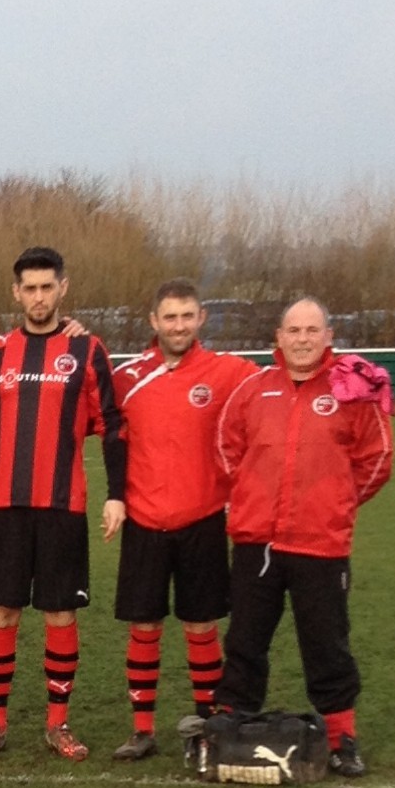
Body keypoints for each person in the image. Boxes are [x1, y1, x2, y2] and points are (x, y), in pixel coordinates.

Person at [214, 297, 394, 776]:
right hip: (257, 545)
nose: (302, 339)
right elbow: (226, 448)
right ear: (279, 336)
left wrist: (335, 504)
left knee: (326, 645)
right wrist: (251, 496)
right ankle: (234, 730)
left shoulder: (350, 391)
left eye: (312, 330)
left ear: (328, 336)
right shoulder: (254, 390)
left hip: (321, 544)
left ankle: (342, 741)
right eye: (294, 330)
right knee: (245, 642)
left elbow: (377, 460)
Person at [0, 247, 127, 761]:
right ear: (16, 293)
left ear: (63, 288)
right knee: (3, 613)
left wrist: (117, 494)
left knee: (59, 615)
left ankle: (59, 725)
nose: (38, 296)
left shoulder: (87, 349)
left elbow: (113, 424)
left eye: (46, 287)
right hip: (4, 505)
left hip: (63, 504)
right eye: (28, 288)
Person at [106, 278, 260, 760]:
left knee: (200, 627)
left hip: (204, 519)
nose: (178, 325)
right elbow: (105, 431)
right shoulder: (128, 378)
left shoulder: (231, 373)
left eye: (186, 316)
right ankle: (142, 730)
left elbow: (281, 390)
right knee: (144, 628)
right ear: (153, 321)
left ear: (201, 319)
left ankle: (210, 729)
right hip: (145, 521)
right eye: (169, 317)